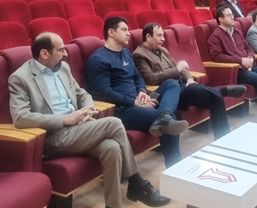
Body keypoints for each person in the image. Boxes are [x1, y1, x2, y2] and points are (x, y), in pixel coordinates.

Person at [9, 32, 170, 208]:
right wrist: (65, 119)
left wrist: (88, 109)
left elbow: (82, 94)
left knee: (112, 148)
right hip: (54, 137)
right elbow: (21, 118)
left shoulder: (63, 68)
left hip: (80, 127)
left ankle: (113, 205)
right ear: (44, 53)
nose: (66, 54)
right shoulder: (20, 78)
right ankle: (136, 183)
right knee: (115, 122)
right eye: (61, 50)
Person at [85, 17, 189, 168]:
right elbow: (103, 93)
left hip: (139, 100)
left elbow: (137, 76)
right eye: (124, 30)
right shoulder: (98, 59)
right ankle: (175, 168)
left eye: (128, 30)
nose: (128, 33)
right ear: (111, 32)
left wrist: (142, 92)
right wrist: (133, 102)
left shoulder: (126, 53)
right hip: (122, 110)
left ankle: (164, 115)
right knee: (171, 120)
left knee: (171, 84)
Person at [133, 22, 246, 143]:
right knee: (194, 89)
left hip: (183, 87)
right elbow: (150, 78)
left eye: (163, 35)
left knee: (215, 98)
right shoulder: (139, 55)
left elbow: (181, 68)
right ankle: (221, 90)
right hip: (169, 96)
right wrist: (178, 70)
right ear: (148, 36)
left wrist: (190, 79)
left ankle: (223, 140)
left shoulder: (163, 50)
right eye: (159, 35)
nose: (163, 39)